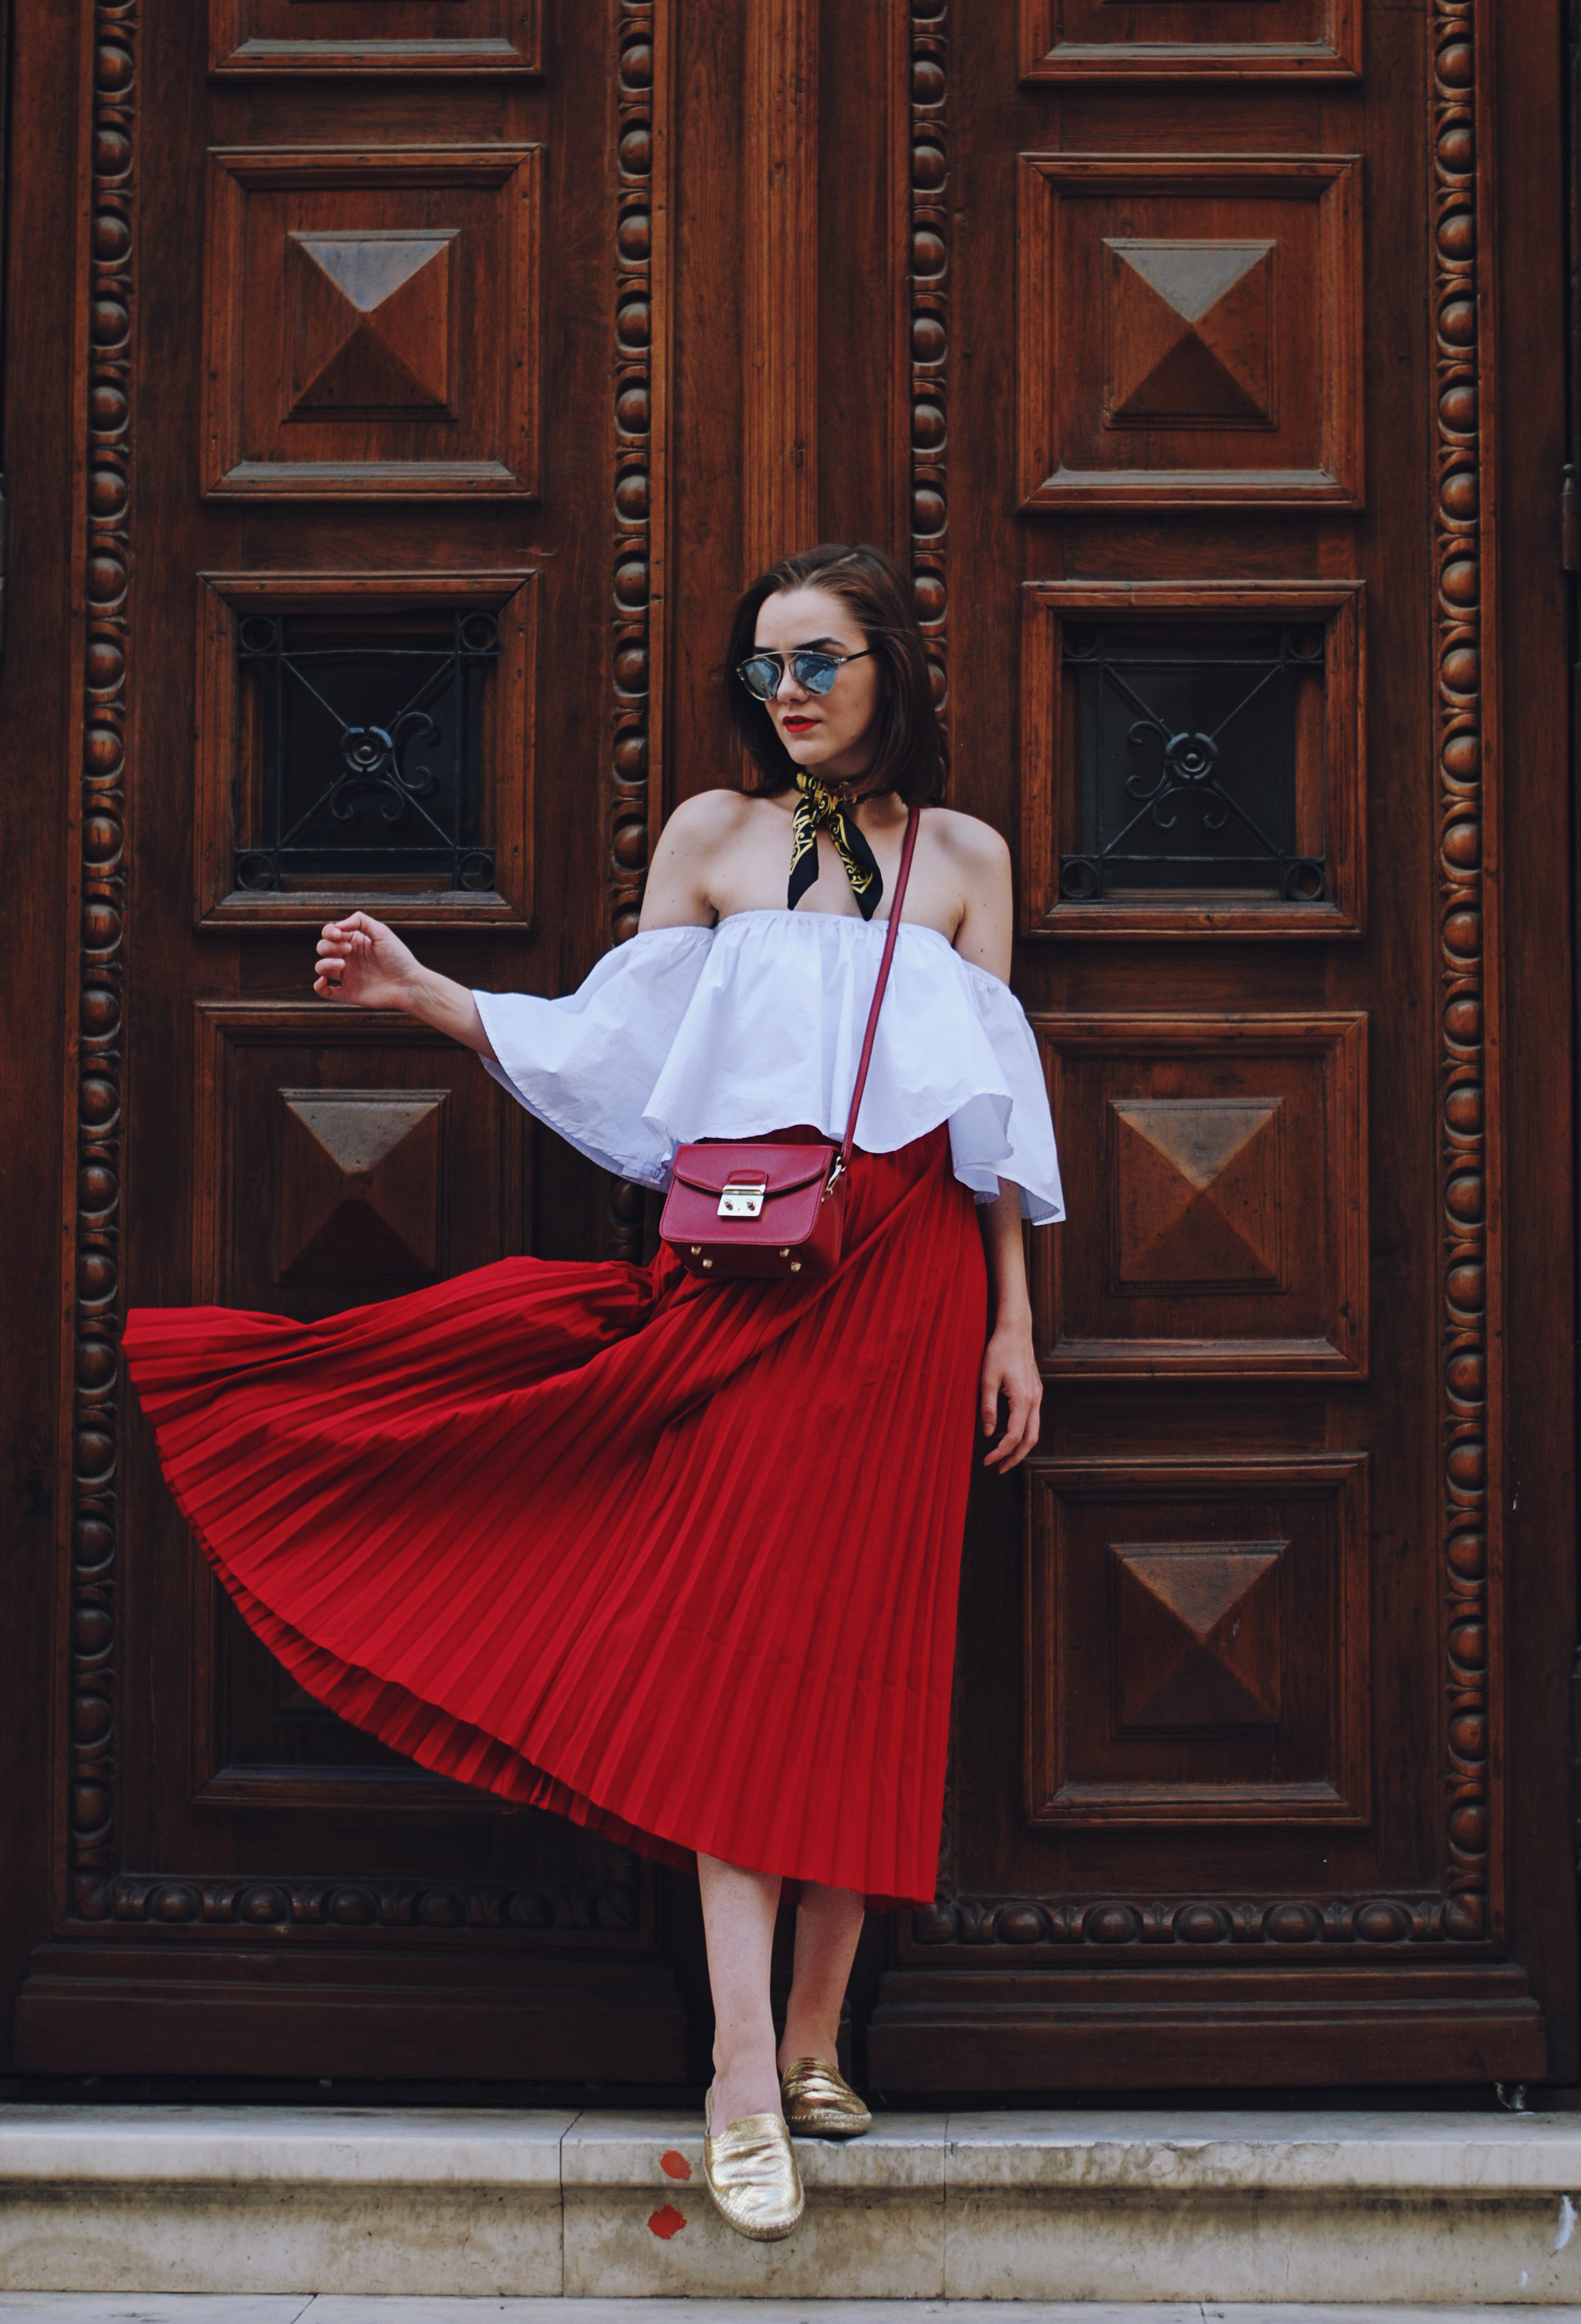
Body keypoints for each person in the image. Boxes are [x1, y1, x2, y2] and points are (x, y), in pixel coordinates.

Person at [122, 542, 1062, 2242]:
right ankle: (740, 2075)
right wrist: (425, 999)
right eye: (764, 667)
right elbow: (617, 1052)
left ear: (889, 671)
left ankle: (825, 2039)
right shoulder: (711, 840)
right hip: (754, 1272)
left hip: (916, 1282)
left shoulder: (965, 860)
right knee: (737, 1650)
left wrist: (1014, 1320)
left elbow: (992, 1107)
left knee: (878, 1640)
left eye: (818, 660)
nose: (786, 692)